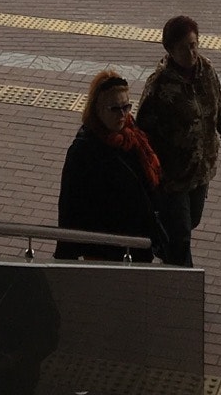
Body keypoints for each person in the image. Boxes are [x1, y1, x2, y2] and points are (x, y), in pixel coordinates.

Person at [135, 14, 221, 269]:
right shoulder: (159, 85)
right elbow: (143, 130)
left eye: (194, 45)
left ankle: (163, 244)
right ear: (170, 50)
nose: (191, 53)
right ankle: (182, 276)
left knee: (192, 220)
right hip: (173, 176)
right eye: (184, 48)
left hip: (201, 168)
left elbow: (218, 107)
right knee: (181, 235)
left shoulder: (206, 70)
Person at [54, 70, 166, 263]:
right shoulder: (84, 150)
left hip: (138, 242)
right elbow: (69, 205)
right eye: (115, 108)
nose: (122, 114)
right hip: (103, 248)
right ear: (98, 109)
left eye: (126, 106)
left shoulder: (133, 136)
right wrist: (66, 255)